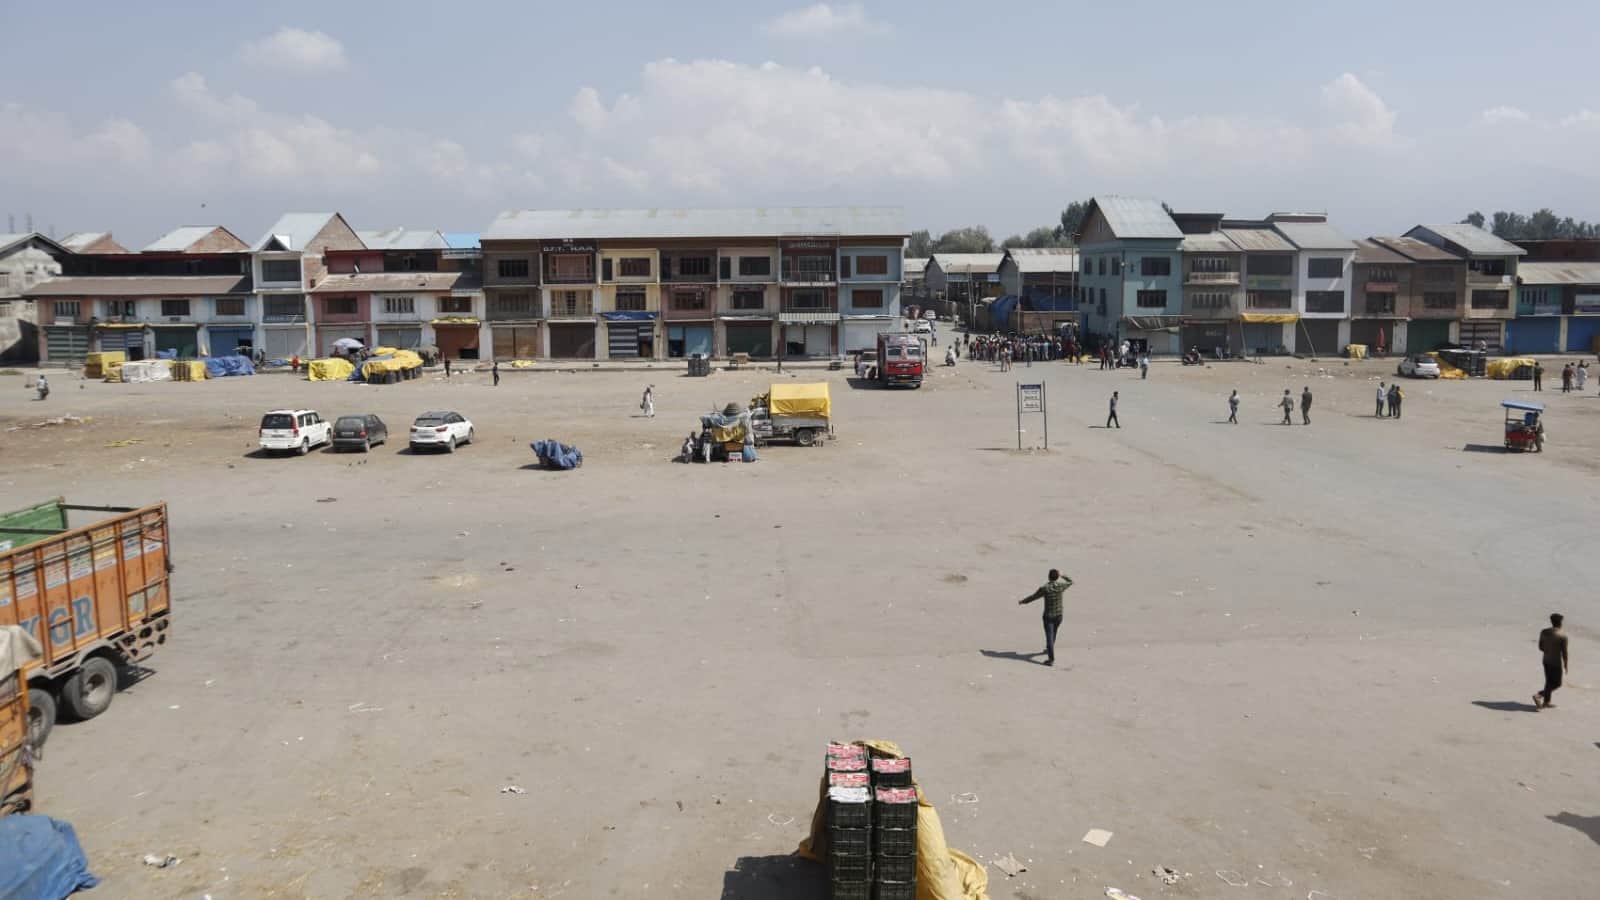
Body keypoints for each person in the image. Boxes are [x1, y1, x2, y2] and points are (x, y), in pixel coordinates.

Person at [1018, 568, 1073, 666]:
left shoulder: (1045, 588)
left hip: (1048, 616)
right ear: (1057, 577)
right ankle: (1049, 648)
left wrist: (1023, 601)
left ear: (1048, 577)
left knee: (1049, 636)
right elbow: (1070, 581)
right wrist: (1062, 575)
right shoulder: (1061, 586)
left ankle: (1051, 659)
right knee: (1054, 633)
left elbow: (1033, 597)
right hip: (1059, 615)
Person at [1534, 613, 1569, 709]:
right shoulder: (1562, 636)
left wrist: (1548, 651)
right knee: (1557, 684)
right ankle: (1539, 695)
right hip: (1556, 662)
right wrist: (1566, 664)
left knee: (1549, 681)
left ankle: (1546, 702)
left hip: (1546, 660)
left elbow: (1540, 647)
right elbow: (1564, 652)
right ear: (1560, 623)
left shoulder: (1544, 632)